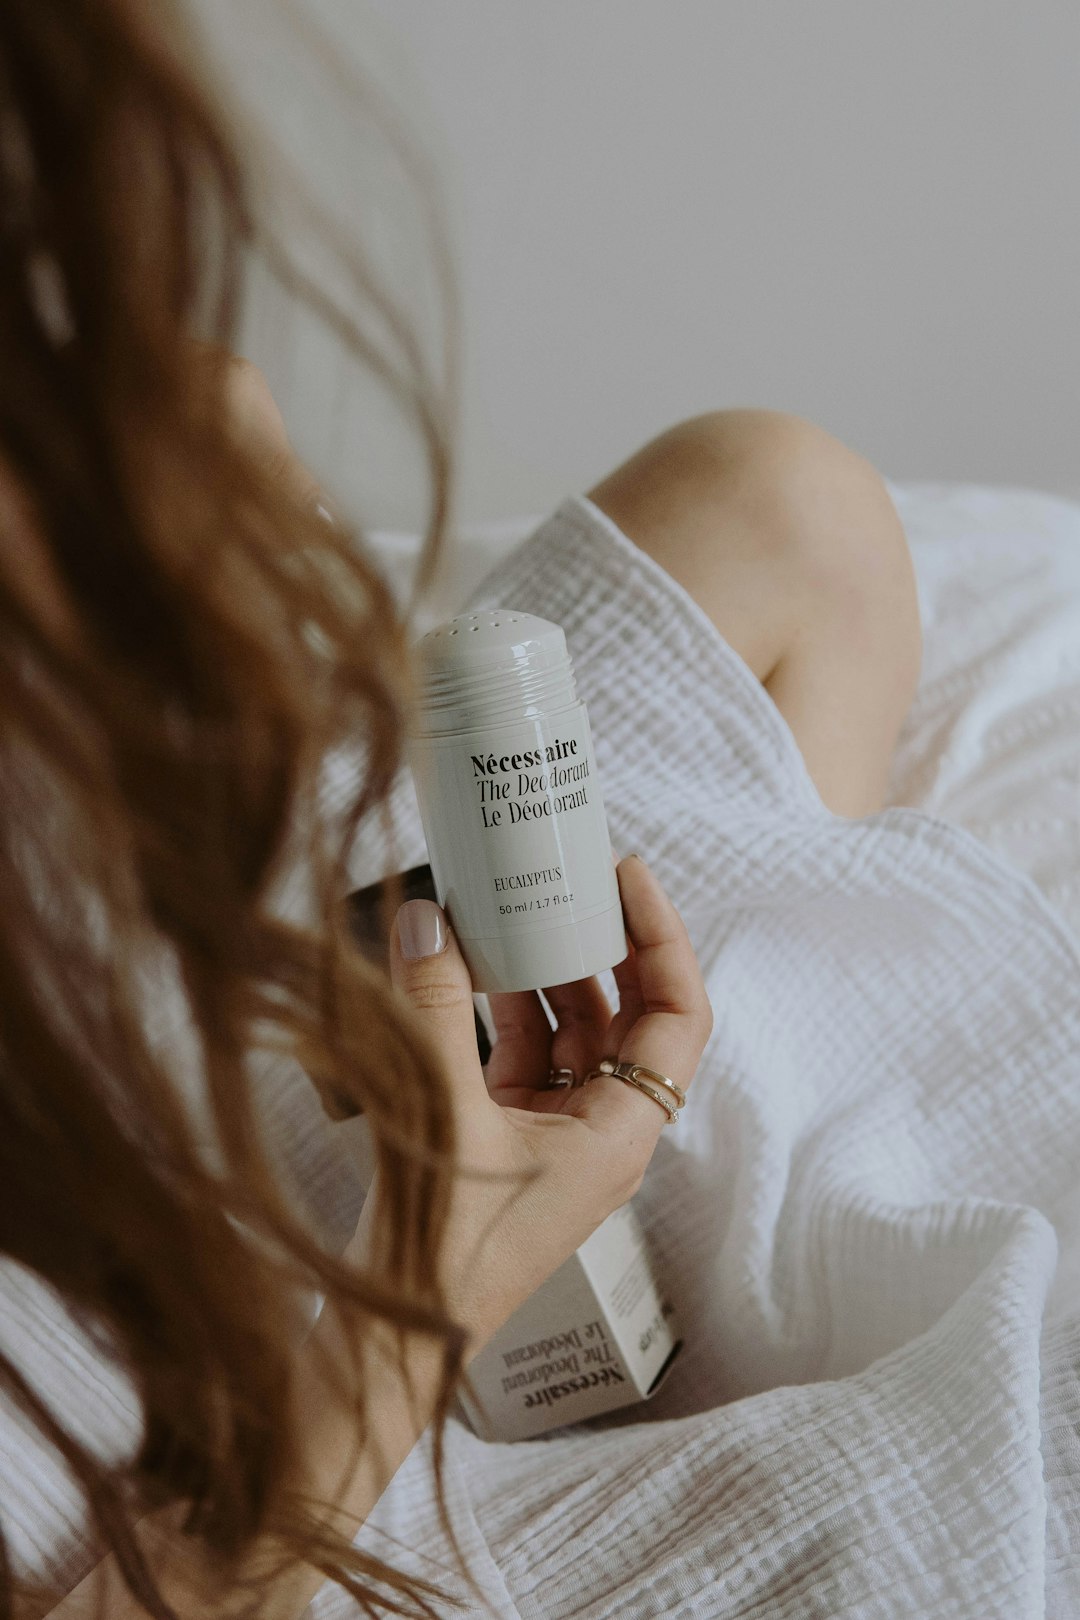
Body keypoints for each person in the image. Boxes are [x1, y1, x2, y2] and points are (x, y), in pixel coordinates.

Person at [0, 3, 922, 1618]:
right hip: (246, 1365)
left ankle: (645, 1188)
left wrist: (145, 519)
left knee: (781, 498)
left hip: (181, 971)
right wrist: (431, 1292)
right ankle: (664, 1237)